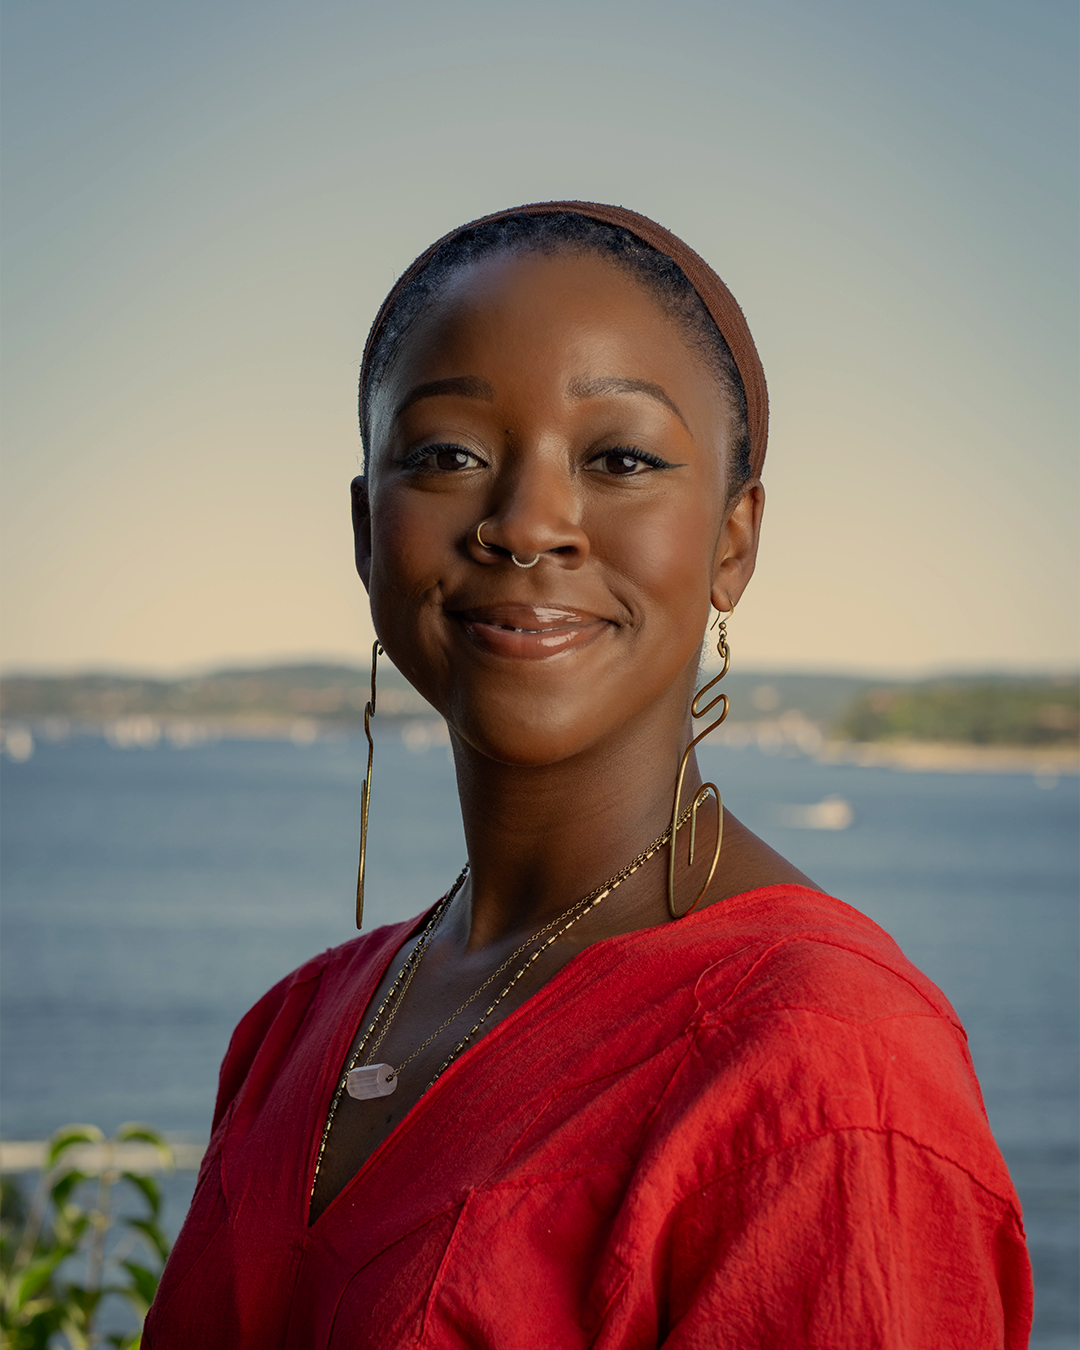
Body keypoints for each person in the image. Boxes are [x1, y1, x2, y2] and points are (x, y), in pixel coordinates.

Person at [144, 202, 1032, 1348]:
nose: (526, 524)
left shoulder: (827, 1072)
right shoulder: (296, 1027)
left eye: (618, 457)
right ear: (368, 529)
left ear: (732, 542)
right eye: (448, 455)